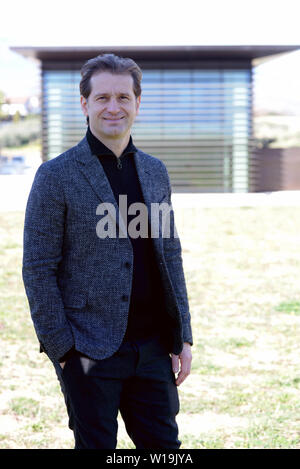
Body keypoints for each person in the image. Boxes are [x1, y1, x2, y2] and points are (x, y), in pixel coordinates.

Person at [22, 53, 193, 449]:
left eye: (123, 97)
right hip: (86, 349)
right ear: (84, 105)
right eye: (102, 98)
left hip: (152, 349)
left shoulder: (155, 171)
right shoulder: (55, 176)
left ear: (137, 103)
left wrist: (182, 334)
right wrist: (63, 350)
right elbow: (38, 268)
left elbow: (169, 253)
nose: (113, 107)